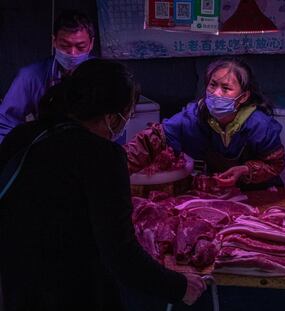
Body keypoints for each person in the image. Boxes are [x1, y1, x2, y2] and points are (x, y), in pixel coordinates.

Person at [0, 59, 206, 311]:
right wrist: (179, 287)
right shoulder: (102, 156)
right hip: (73, 291)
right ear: (112, 116)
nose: (126, 121)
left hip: (18, 284)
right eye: (128, 113)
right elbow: (120, 253)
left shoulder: (24, 135)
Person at [125, 57, 285, 190]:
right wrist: (117, 165)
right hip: (218, 194)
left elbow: (275, 164)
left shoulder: (260, 126)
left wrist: (245, 170)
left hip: (261, 194)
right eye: (213, 85)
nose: (216, 93)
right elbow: (152, 140)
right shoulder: (193, 117)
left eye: (226, 88)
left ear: (243, 97)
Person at [0, 10, 95, 143]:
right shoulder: (31, 76)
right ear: (54, 41)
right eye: (65, 45)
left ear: (91, 44)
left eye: (80, 46)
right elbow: (5, 123)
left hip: (91, 148)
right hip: (47, 148)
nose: (72, 53)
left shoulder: (104, 77)